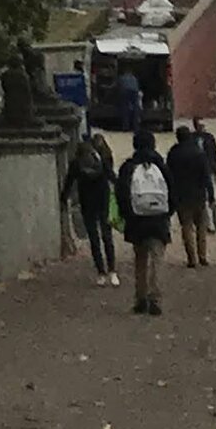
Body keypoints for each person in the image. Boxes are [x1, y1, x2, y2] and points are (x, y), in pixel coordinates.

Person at [117, 132, 174, 312]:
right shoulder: (161, 167)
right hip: (158, 220)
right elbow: (173, 191)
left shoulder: (128, 167)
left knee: (140, 261)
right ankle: (155, 298)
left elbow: (122, 194)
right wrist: (166, 213)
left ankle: (140, 298)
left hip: (137, 222)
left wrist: (128, 215)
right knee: (157, 261)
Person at [70, 124, 120, 284]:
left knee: (94, 238)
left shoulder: (77, 163)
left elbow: (68, 182)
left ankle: (101, 272)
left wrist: (64, 199)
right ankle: (112, 271)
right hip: (102, 199)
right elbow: (112, 177)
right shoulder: (103, 159)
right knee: (107, 236)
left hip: (86, 201)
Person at [168, 120, 216, 267]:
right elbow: (206, 176)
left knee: (187, 227)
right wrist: (211, 195)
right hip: (199, 195)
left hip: (181, 195)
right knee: (201, 227)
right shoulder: (198, 153)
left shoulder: (173, 153)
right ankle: (202, 255)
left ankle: (191, 258)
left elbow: (169, 175)